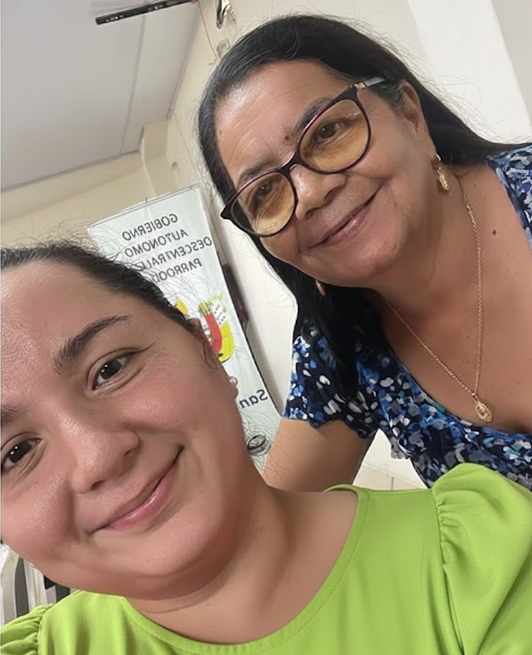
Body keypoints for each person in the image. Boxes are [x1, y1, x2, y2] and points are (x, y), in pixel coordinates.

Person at [2, 241, 532, 654]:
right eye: (15, 453)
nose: (98, 455)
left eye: (111, 369)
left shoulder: (480, 557)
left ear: (207, 351)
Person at [197, 14, 532, 492]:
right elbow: (276, 517)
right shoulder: (341, 343)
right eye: (264, 192)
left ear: (410, 117)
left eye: (327, 132)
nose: (309, 194)